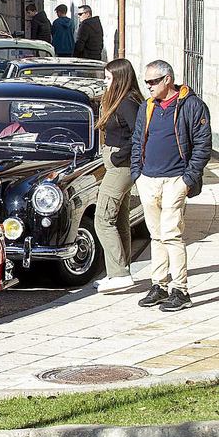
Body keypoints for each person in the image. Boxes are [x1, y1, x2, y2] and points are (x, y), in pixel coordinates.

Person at [131, 60, 212, 311]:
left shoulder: (191, 105)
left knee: (171, 234)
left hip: (175, 179)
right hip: (148, 179)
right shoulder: (147, 107)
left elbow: (203, 144)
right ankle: (159, 285)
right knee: (156, 235)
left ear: (168, 80)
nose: (149, 86)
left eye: (153, 81)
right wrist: (137, 174)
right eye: (146, 82)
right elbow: (137, 140)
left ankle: (181, 289)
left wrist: (188, 179)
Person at [91, 59, 143, 294]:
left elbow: (139, 135)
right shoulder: (119, 101)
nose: (105, 81)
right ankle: (121, 270)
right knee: (120, 219)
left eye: (109, 78)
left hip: (120, 165)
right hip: (115, 163)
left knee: (103, 219)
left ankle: (119, 273)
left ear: (120, 79)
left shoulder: (127, 103)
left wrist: (118, 156)